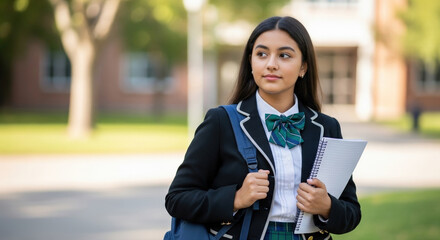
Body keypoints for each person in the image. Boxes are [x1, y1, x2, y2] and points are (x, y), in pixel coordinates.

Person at [165, 16, 361, 240]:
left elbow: (352, 212)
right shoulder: (221, 121)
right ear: (251, 62)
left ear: (303, 67)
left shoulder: (326, 127)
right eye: (262, 54)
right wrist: (236, 198)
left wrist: (327, 207)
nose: (271, 64)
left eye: (284, 55)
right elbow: (177, 199)